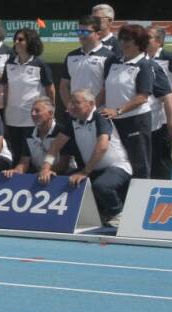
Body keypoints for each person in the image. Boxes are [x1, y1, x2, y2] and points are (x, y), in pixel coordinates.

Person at [43, 89, 133, 227]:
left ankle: (118, 213)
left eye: (76, 103)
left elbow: (102, 146)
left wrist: (84, 172)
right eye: (70, 103)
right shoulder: (73, 121)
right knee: (61, 181)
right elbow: (55, 146)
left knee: (101, 186)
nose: (71, 106)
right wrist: (45, 168)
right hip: (93, 169)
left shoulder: (101, 117)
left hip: (117, 167)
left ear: (90, 104)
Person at [100, 24, 155, 179]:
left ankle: (139, 200)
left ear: (139, 43)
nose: (123, 43)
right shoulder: (112, 61)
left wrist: (118, 110)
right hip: (112, 122)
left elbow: (142, 97)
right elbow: (105, 88)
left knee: (138, 164)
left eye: (128, 40)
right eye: (121, 39)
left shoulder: (144, 65)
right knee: (115, 162)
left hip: (135, 121)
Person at [1, 27, 55, 165]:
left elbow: (50, 89)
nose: (16, 42)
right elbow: (6, 89)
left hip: (32, 119)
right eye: (15, 39)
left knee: (30, 158)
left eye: (21, 39)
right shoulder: (10, 63)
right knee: (17, 155)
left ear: (30, 42)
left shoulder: (39, 64)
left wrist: (51, 111)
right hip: (12, 117)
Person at [146, 26, 172, 179]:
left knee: (161, 158)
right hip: (144, 114)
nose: (143, 39)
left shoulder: (167, 56)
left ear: (158, 41)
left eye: (148, 36)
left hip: (163, 116)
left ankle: (163, 188)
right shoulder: (140, 57)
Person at [3, 96, 70, 180]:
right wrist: (16, 171)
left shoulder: (62, 132)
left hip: (61, 176)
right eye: (32, 111)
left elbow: (64, 164)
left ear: (50, 113)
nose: (33, 114)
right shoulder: (29, 134)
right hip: (37, 176)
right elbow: (24, 162)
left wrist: (45, 171)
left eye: (37, 111)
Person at [59, 14, 115, 109]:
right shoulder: (71, 56)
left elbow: (107, 88)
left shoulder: (109, 57)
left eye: (85, 32)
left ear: (98, 34)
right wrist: (70, 107)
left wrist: (91, 109)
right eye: (79, 31)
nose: (81, 35)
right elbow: (64, 86)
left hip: (98, 112)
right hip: (75, 112)